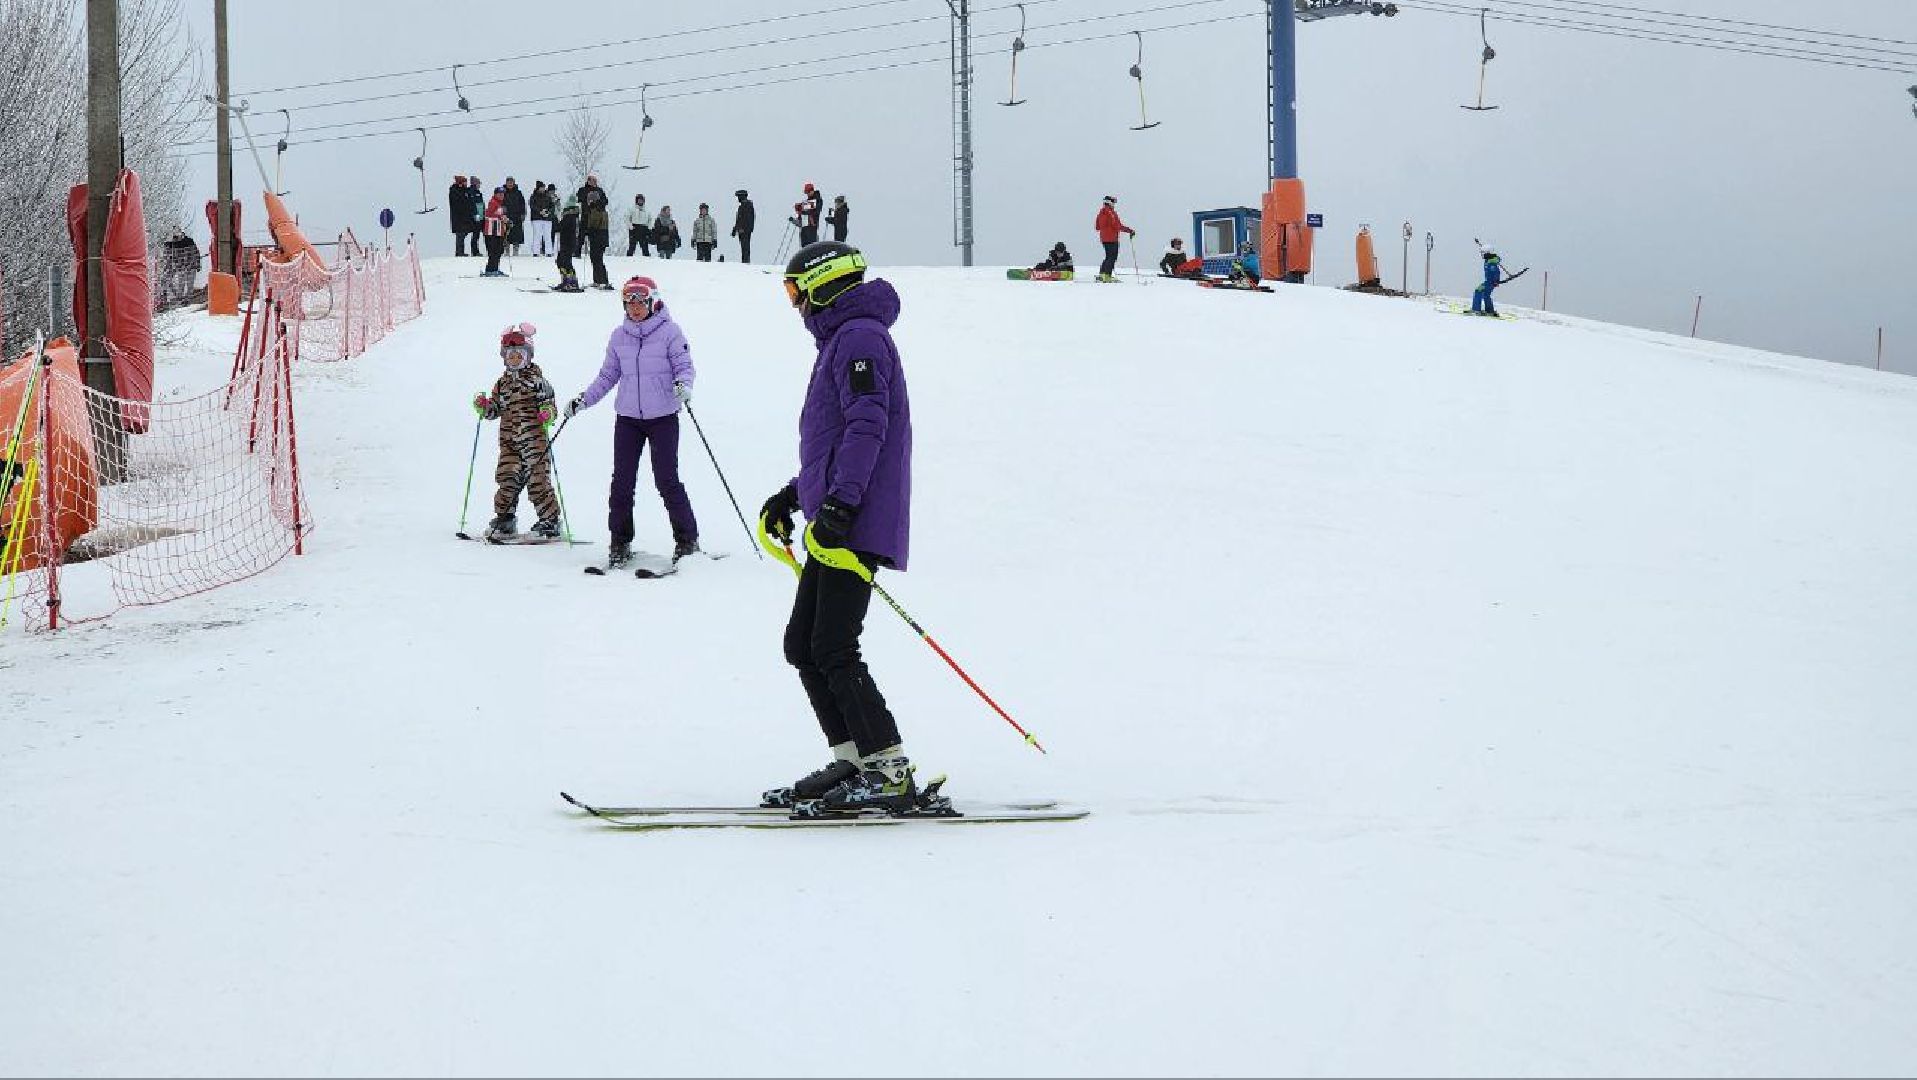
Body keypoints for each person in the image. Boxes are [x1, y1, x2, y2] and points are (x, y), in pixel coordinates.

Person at [759, 240, 919, 816]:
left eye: (795, 290)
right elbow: (831, 443)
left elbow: (867, 427)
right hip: (837, 514)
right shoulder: (843, 339)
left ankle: (888, 769)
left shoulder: (860, 338)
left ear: (823, 284)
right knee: (803, 644)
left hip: (857, 518)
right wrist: (796, 496)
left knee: (831, 644)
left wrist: (841, 506)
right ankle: (854, 758)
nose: (795, 304)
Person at [564, 276, 699, 567]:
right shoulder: (619, 336)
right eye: (629, 303)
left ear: (652, 302)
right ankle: (620, 542)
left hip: (663, 417)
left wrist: (683, 385)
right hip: (628, 420)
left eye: (640, 302)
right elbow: (607, 376)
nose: (635, 308)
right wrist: (584, 400)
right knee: (622, 483)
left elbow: (684, 366)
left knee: (667, 480)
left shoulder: (670, 332)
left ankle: (687, 541)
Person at [473, 324, 562, 543]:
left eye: (518, 356)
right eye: (510, 356)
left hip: (534, 442)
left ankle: (550, 521)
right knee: (507, 478)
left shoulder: (537, 382)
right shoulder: (502, 384)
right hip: (509, 442)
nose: (514, 359)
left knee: (537, 480)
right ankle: (505, 519)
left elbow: (550, 405)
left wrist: (547, 413)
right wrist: (485, 406)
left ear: (528, 356)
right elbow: (495, 409)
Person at [577, 173, 612, 289]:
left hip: (598, 236)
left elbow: (596, 225)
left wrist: (588, 231)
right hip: (597, 236)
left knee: (598, 259)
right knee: (595, 258)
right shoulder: (585, 192)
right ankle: (597, 280)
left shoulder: (597, 210)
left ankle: (603, 281)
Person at [1093, 194, 1135, 282]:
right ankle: (1107, 275)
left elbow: (1097, 227)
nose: (1114, 204)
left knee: (1108, 256)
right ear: (1109, 202)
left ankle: (1102, 274)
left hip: (1104, 238)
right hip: (1112, 238)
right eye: (1113, 202)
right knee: (1112, 257)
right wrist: (1129, 231)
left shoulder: (1101, 212)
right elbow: (1117, 225)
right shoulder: (1110, 212)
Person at [161, 228, 201, 305]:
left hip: (189, 266)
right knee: (181, 284)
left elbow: (196, 253)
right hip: (181, 267)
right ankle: (181, 299)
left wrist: (197, 264)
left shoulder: (189, 241)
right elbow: (169, 259)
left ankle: (187, 300)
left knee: (188, 284)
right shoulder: (171, 245)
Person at [1472, 242, 1513, 316]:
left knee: (1478, 291)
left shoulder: (1491, 263)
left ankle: (1476, 310)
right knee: (1486, 295)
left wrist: (1496, 281)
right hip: (1489, 281)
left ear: (1488, 253)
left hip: (1490, 282)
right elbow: (1494, 259)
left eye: (1483, 253)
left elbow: (1496, 272)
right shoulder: (1489, 260)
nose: (1482, 255)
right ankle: (1490, 311)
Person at [554, 196, 584, 292]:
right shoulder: (575, 217)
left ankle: (569, 282)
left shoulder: (569, 217)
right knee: (564, 261)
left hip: (567, 242)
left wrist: (555, 220)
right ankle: (569, 281)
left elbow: (559, 227)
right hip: (570, 242)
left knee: (563, 262)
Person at [480, 186, 509, 277]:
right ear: (495, 194)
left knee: (499, 250)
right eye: (500, 194)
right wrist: (502, 217)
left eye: (503, 194)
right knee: (493, 251)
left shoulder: (500, 204)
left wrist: (505, 220)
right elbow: (489, 214)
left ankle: (495, 268)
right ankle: (490, 270)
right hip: (491, 232)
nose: (502, 195)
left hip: (498, 231)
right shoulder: (492, 202)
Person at [528, 182, 556, 256]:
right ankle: (536, 252)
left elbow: (552, 206)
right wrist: (540, 211)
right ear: (538, 188)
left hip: (547, 218)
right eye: (541, 187)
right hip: (536, 218)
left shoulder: (548, 196)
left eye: (543, 187)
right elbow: (532, 206)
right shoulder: (533, 196)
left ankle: (549, 252)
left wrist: (548, 212)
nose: (543, 189)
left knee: (548, 235)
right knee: (537, 235)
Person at [448, 175, 473, 256]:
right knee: (460, 234)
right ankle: (459, 252)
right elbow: (458, 204)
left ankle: (461, 251)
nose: (466, 184)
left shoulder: (464, 191)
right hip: (458, 217)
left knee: (463, 234)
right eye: (464, 182)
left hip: (464, 217)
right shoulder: (454, 191)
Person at [503, 177, 527, 256]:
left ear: (514, 183)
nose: (510, 184)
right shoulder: (502, 192)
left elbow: (522, 204)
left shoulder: (518, 193)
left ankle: (515, 250)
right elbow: (499, 202)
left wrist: (523, 214)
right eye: (508, 182)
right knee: (506, 233)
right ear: (506, 183)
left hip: (517, 216)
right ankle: (506, 250)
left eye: (511, 182)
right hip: (506, 216)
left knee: (517, 233)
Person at [731, 189, 755, 263]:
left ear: (742, 196)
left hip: (745, 231)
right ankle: (744, 261)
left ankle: (746, 261)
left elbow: (749, 219)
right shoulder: (742, 206)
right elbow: (738, 220)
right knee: (743, 247)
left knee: (745, 247)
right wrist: (735, 229)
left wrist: (746, 229)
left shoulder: (748, 206)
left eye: (739, 196)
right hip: (741, 230)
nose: (738, 198)